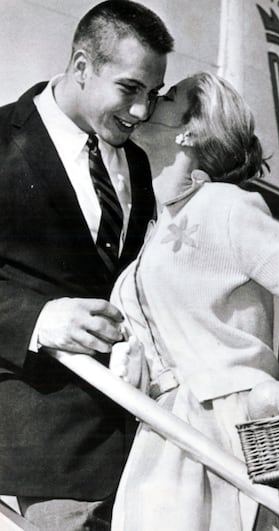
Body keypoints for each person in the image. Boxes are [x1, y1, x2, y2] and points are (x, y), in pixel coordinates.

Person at [108, 71, 279, 531]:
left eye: (166, 97)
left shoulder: (227, 206)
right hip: (166, 432)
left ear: (192, 130)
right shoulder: (155, 226)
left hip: (228, 426)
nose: (147, 104)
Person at [0, 2, 173, 529]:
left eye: (153, 95)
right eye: (129, 89)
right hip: (38, 459)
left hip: (135, 458)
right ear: (81, 66)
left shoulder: (139, 163)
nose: (142, 112)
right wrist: (39, 321)